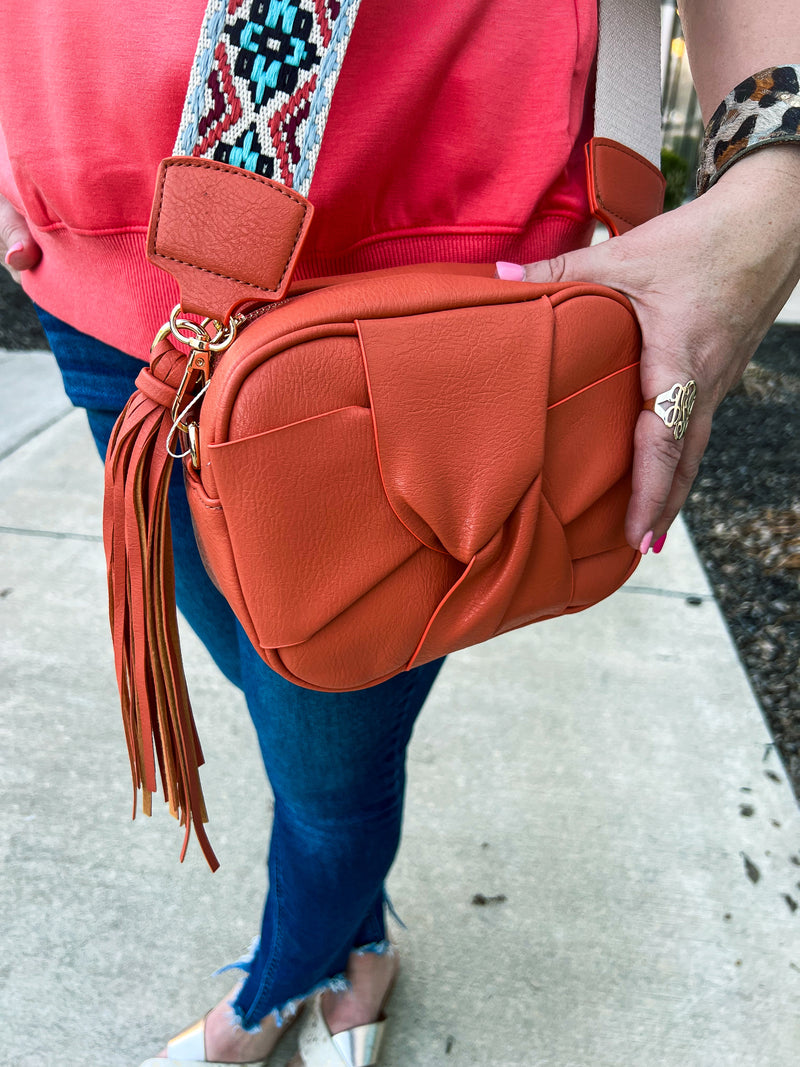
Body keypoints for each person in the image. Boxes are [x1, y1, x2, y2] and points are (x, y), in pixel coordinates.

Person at [1, 1, 798, 1064]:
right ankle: (359, 941)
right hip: (92, 260)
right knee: (274, 684)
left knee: (329, 751)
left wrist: (775, 188)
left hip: (422, 288)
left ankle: (286, 973)